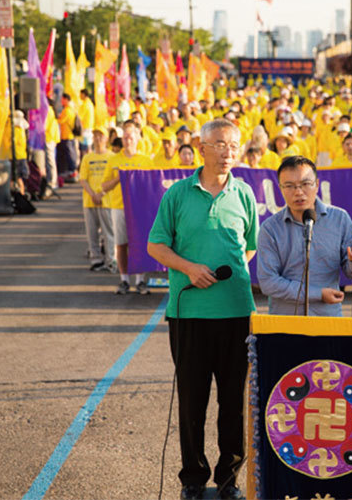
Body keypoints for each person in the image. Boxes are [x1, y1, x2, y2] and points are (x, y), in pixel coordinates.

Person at [147, 118, 258, 500]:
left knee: (233, 402)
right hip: (189, 314)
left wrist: (231, 269)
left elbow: (251, 245)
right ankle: (192, 479)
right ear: (202, 146)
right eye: (220, 144)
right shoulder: (177, 194)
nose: (229, 152)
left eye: (234, 145)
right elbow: (156, 246)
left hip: (236, 314)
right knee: (192, 400)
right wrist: (190, 269)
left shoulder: (244, 194)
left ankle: (229, 480)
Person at [257, 155, 352, 316]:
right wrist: (318, 294)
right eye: (289, 186)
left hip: (327, 321)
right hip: (285, 323)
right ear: (280, 188)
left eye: (305, 184)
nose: (298, 192)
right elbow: (269, 282)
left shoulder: (339, 219)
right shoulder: (270, 228)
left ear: (317, 184)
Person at [101, 120, 154, 294]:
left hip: (140, 208)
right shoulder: (114, 159)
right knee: (121, 244)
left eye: (131, 137)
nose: (128, 140)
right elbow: (104, 186)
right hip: (119, 206)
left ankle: (140, 280)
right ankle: (124, 279)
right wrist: (119, 178)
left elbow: (152, 186)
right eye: (125, 137)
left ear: (138, 138)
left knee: (139, 243)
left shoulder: (146, 160)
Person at [79, 128, 115, 272]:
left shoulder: (112, 157)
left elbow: (114, 179)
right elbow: (83, 179)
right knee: (92, 232)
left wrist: (101, 193)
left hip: (107, 200)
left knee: (108, 232)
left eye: (101, 136)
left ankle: (111, 259)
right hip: (90, 201)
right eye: (95, 136)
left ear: (106, 139)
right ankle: (96, 259)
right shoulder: (87, 157)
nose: (98, 139)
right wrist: (93, 194)